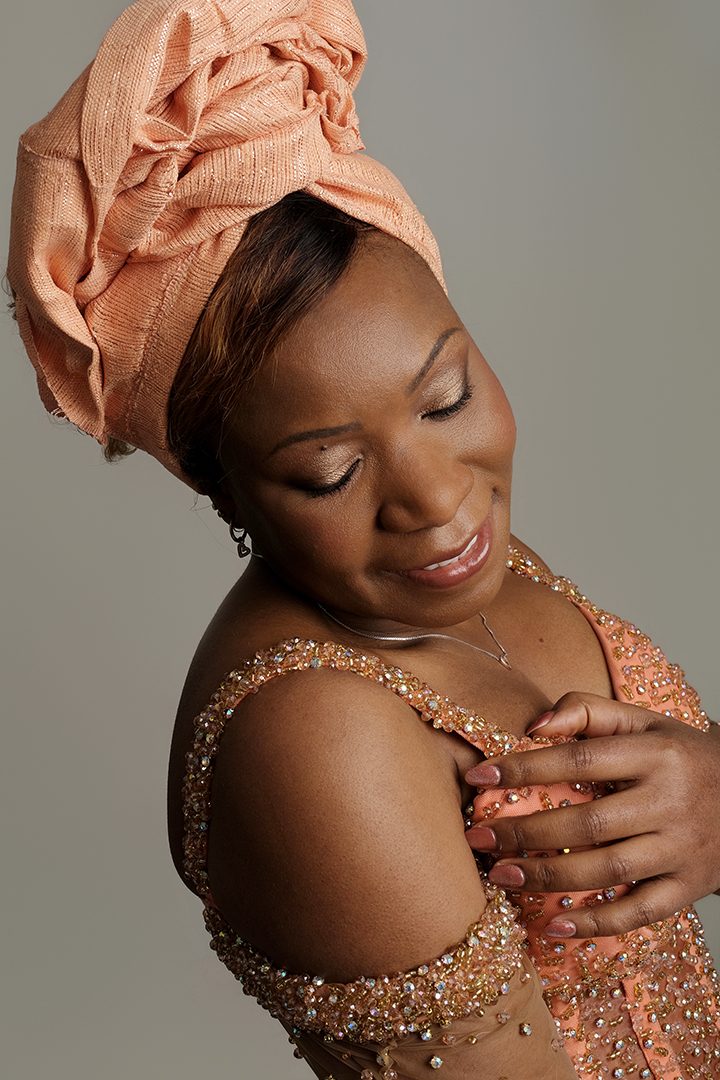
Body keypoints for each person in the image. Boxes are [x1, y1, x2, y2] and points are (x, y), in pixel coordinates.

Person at [7, 1, 720, 1077]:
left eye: (446, 397)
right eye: (330, 473)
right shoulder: (315, 738)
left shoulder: (441, 567)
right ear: (226, 489)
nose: (435, 497)